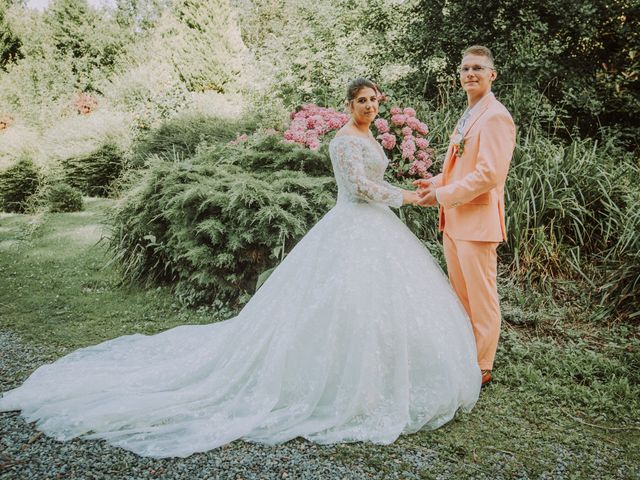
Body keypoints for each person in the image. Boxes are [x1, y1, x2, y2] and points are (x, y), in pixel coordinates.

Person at [0, 78, 481, 459]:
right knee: (339, 303)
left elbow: (375, 179)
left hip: (377, 230)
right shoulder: (342, 142)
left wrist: (412, 188)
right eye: (362, 100)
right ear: (348, 104)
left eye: (375, 100)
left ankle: (381, 377)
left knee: (380, 305)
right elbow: (357, 189)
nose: (370, 106)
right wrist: (406, 197)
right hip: (354, 224)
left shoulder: (369, 135)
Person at [414, 46, 516, 386]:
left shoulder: (495, 116)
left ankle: (482, 365)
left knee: (481, 299)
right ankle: (464, 356)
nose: (470, 74)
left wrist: (443, 195)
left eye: (477, 68)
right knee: (461, 297)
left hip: (477, 224)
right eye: (465, 69)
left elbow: (489, 175)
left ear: (492, 74)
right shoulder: (469, 114)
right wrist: (434, 184)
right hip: (455, 222)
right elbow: (462, 169)